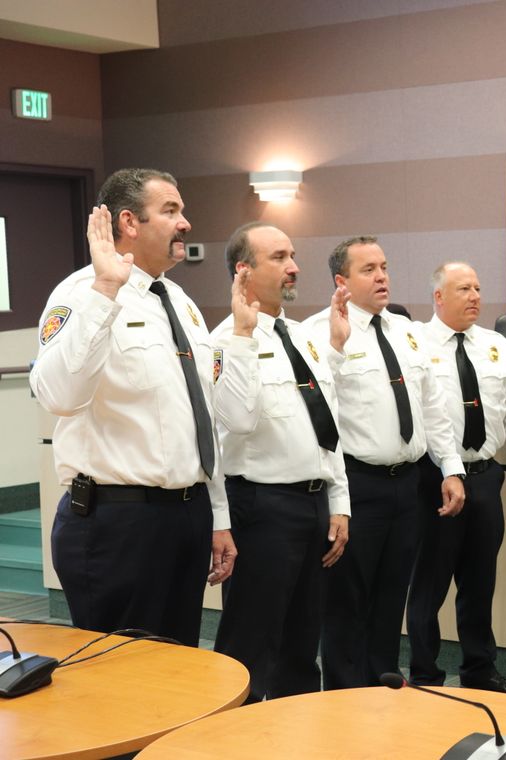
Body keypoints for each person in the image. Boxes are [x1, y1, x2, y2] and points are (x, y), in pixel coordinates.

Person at [30, 168, 236, 647]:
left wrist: (217, 515)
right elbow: (58, 396)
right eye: (170, 211)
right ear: (128, 221)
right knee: (119, 683)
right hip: (117, 524)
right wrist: (106, 292)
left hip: (186, 514)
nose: (185, 222)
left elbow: (200, 417)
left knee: (179, 670)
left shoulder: (179, 301)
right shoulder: (80, 293)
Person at [304, 236, 465, 688]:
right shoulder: (319, 332)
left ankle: (381, 688)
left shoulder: (405, 330)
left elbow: (432, 406)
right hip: (356, 483)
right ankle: (344, 694)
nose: (381, 277)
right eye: (368, 269)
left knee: (392, 596)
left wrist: (450, 467)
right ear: (341, 281)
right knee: (347, 600)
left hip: (407, 483)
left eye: (385, 267)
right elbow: (317, 415)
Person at [210, 222, 350, 702]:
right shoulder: (225, 341)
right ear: (243, 271)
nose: (293, 267)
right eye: (279, 258)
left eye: (292, 255)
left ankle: (297, 739)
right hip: (260, 507)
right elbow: (240, 421)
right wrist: (244, 338)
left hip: (312, 504)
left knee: (300, 644)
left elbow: (328, 429)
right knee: (251, 643)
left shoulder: (304, 337)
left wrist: (339, 504)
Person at [406, 262, 506, 694]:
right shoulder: (414, 345)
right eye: (463, 288)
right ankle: (426, 674)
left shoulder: (498, 346)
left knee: (480, 582)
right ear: (438, 297)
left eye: (479, 288)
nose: (475, 296)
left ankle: (480, 671)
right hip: (435, 480)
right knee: (430, 585)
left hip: (485, 478)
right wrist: (449, 471)